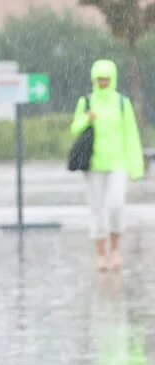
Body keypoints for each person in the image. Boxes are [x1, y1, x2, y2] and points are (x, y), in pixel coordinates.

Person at [70, 59, 144, 272]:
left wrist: (135, 164)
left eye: (106, 78)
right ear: (94, 79)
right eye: (99, 78)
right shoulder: (86, 101)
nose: (102, 82)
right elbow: (74, 128)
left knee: (116, 205)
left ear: (113, 79)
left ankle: (115, 249)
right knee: (96, 209)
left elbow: (131, 134)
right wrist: (86, 118)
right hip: (93, 164)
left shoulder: (122, 103)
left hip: (117, 163)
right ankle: (101, 254)